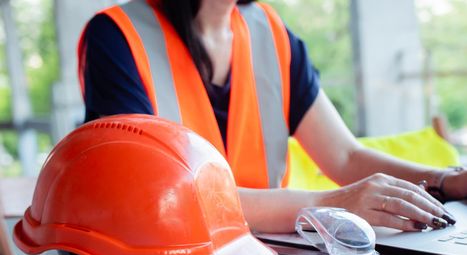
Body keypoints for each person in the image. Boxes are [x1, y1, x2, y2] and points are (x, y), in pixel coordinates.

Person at [79, 0, 467, 234]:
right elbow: (158, 195)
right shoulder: (117, 37)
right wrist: (328, 204)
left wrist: (447, 182)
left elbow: (345, 157)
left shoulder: (271, 33)